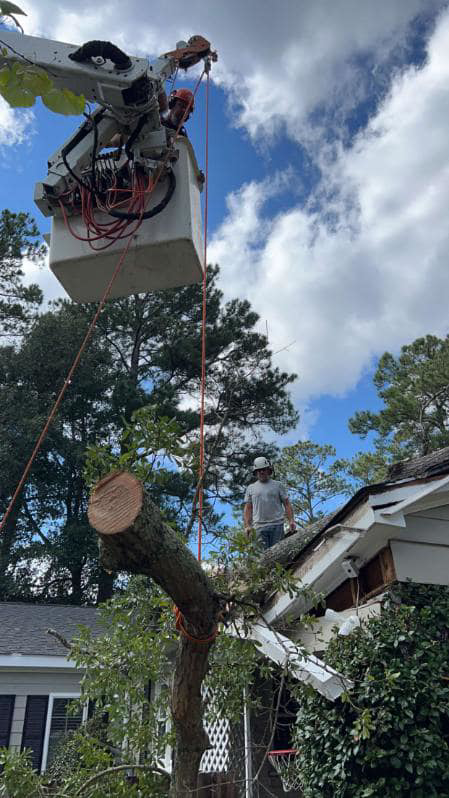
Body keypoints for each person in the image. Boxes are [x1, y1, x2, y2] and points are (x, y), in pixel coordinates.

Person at [244, 456, 296, 549]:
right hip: (259, 527)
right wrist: (247, 526)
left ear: (268, 470)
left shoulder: (278, 485)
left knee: (278, 555)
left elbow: (287, 504)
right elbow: (248, 508)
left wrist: (291, 520)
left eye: (263, 469)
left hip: (277, 525)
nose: (261, 472)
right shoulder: (251, 488)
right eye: (259, 470)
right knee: (263, 557)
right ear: (255, 472)